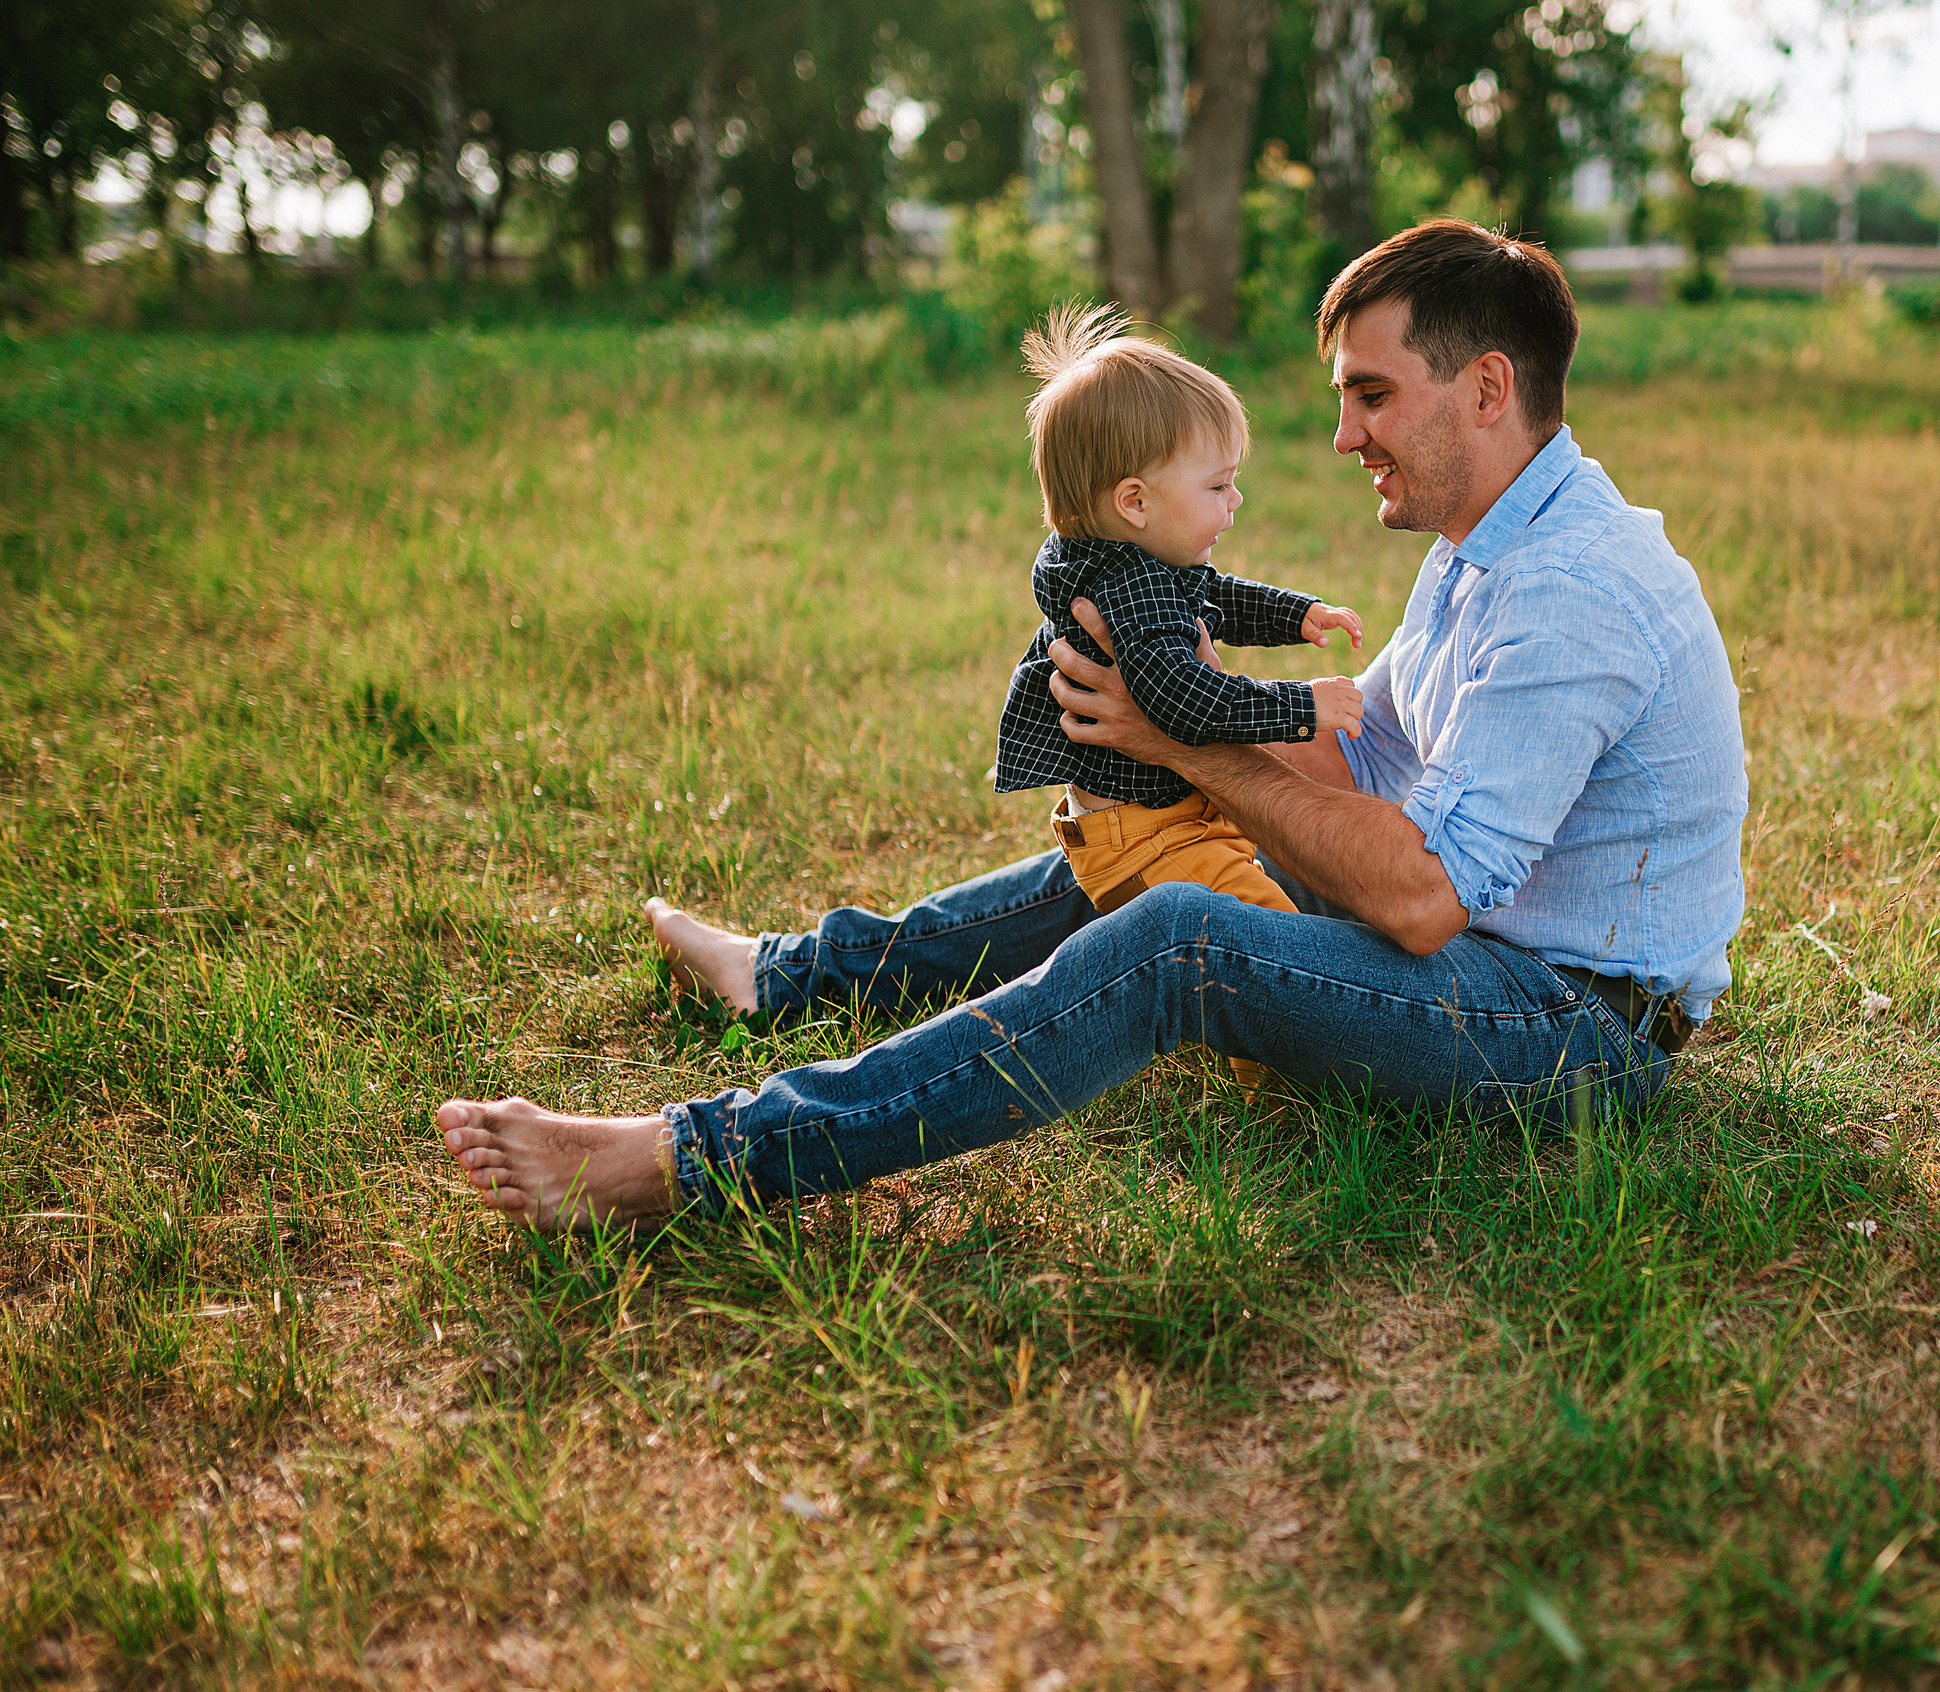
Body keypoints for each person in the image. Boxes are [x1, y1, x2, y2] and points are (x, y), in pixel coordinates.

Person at [435, 219, 1751, 1232]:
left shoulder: (1572, 591)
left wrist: (1183, 736)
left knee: (1179, 933)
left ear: (1485, 389)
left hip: (1568, 1028)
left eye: (1372, 394)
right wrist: (1163, 684)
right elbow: (1358, 776)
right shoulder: (1486, 549)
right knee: (1161, 836)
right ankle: (788, 973)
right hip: (1495, 950)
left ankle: (685, 1157)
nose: (1343, 433)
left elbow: (1416, 902)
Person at [993, 303, 1365, 1091]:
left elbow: (1214, 593)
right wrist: (1304, 704)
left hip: (1150, 822)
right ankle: (1282, 1094)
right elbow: (1188, 704)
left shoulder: (1113, 557)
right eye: (1219, 485)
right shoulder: (1132, 590)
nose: (1236, 503)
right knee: (1269, 941)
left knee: (1255, 918)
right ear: (1135, 501)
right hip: (1153, 834)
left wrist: (1299, 614)